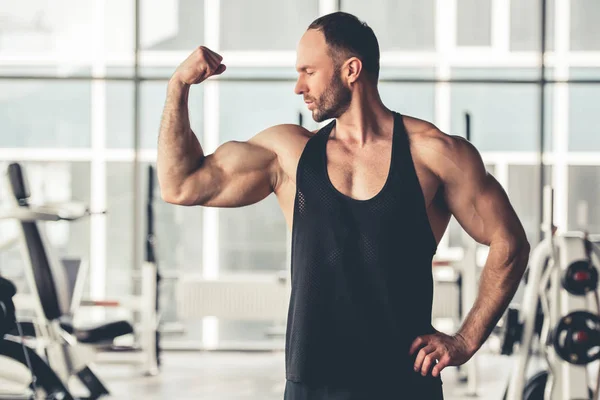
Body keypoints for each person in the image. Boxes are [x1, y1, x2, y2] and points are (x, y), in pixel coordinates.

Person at [157, 11, 530, 400]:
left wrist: (466, 340)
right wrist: (177, 87)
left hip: (403, 385)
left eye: (308, 71)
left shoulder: (434, 154)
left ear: (351, 69)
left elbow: (510, 243)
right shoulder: (288, 153)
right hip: (311, 386)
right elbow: (180, 185)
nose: (298, 86)